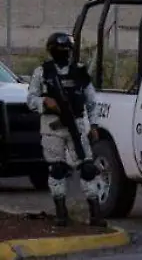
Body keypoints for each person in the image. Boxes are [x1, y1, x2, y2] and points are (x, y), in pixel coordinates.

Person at [25, 32, 104, 228]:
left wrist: (93, 125)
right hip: (52, 128)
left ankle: (95, 214)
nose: (64, 53)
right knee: (57, 169)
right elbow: (30, 100)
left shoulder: (79, 72)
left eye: (66, 50)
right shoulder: (42, 72)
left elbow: (92, 101)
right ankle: (61, 213)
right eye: (60, 50)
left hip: (76, 126)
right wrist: (45, 101)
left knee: (87, 167)